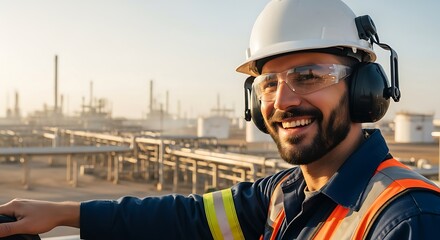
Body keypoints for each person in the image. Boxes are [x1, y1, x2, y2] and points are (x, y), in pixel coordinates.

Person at [1, 0, 440, 239]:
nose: (283, 100)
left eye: (308, 76)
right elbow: (186, 217)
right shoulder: (284, 194)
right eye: (268, 83)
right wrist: (63, 212)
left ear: (365, 88)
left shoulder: (407, 217)